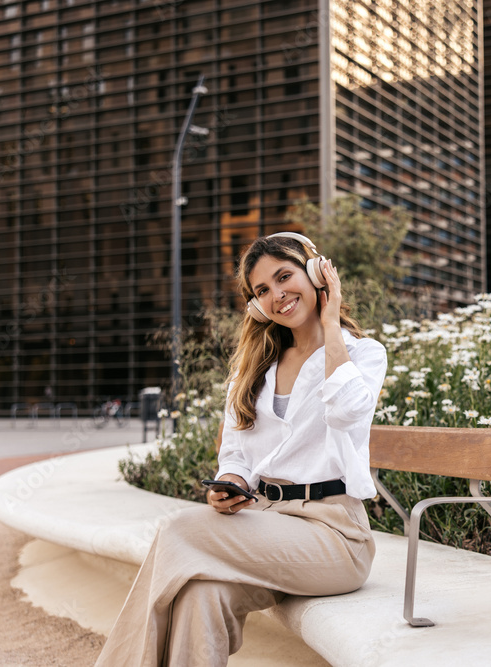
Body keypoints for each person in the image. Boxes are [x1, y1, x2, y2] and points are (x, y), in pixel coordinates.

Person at [95, 232, 387, 666]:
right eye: (262, 290)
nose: (277, 295)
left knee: (177, 530)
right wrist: (231, 481)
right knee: (200, 593)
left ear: (316, 273)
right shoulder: (256, 369)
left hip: (334, 537)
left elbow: (348, 413)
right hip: (264, 525)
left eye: (285, 276)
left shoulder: (363, 355)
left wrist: (330, 324)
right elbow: (236, 452)